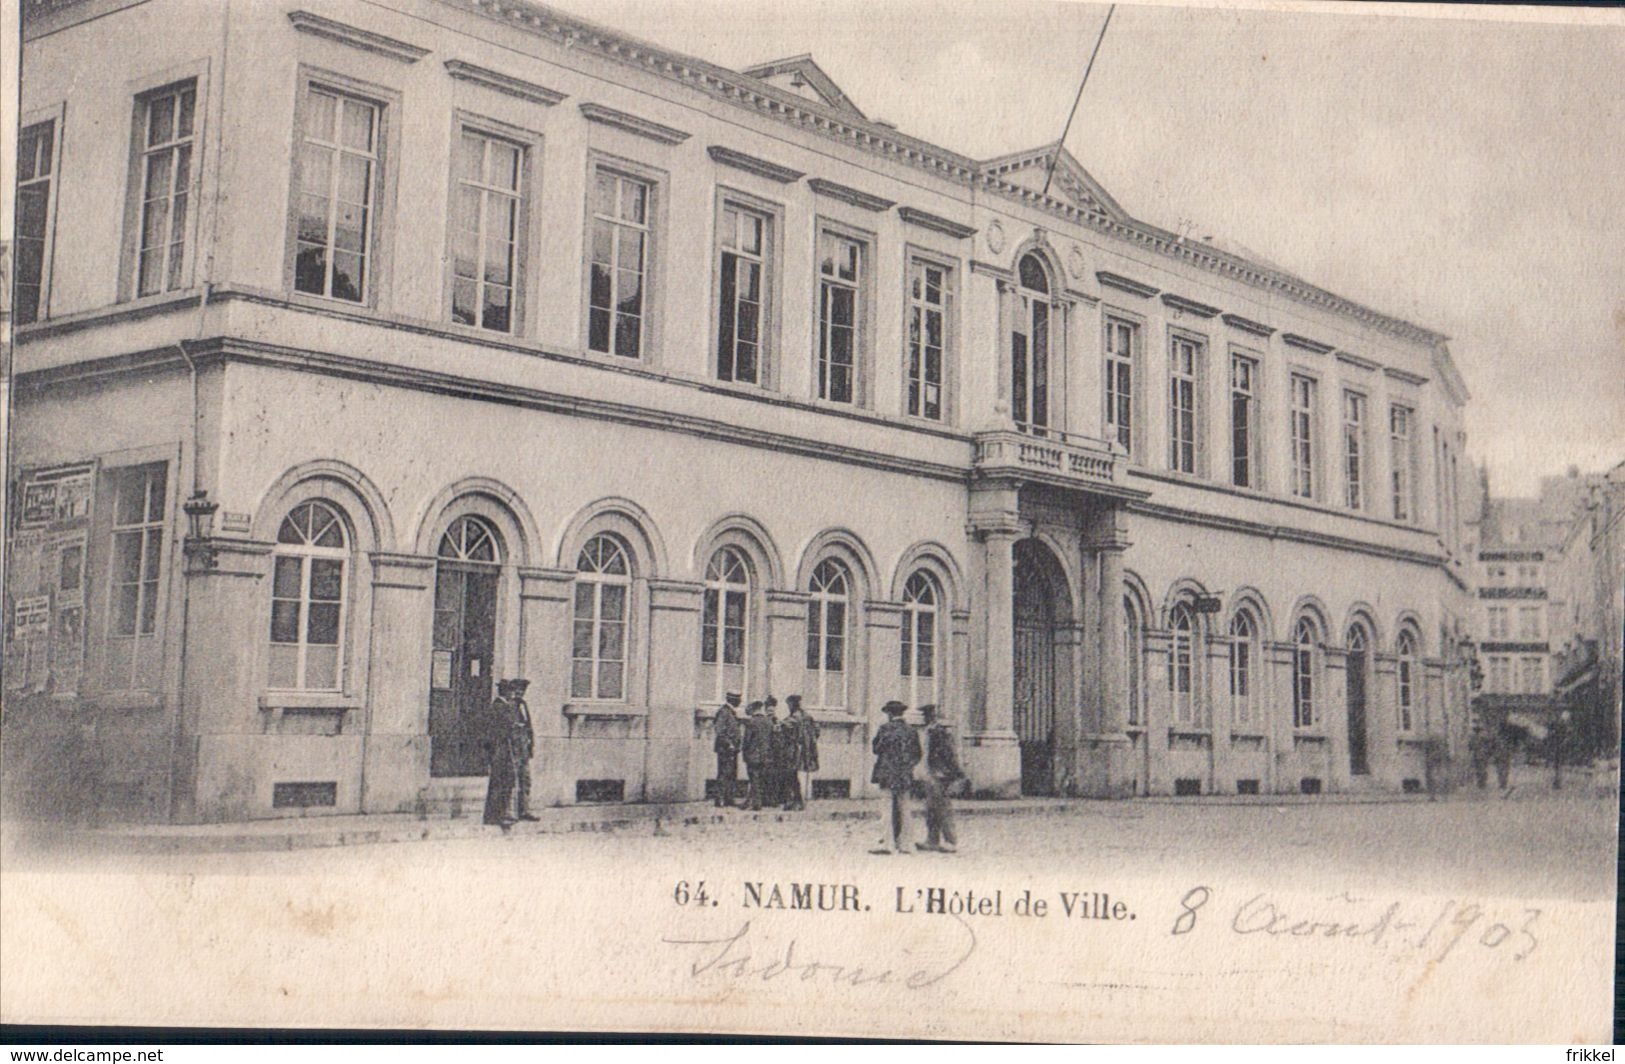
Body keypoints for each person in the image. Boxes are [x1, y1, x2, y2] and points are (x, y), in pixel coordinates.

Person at [870, 700, 921, 854]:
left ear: (890, 714)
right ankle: (906, 844)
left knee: (886, 809)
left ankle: (887, 844)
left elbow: (876, 749)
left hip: (887, 774)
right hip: (904, 774)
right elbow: (917, 754)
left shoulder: (885, 729)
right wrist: (907, 766)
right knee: (905, 808)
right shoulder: (911, 731)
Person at [916, 704, 962, 852]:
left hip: (939, 774)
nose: (925, 718)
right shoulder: (928, 731)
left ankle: (951, 841)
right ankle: (932, 840)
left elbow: (949, 754)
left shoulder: (939, 732)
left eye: (927, 715)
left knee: (943, 808)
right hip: (930, 773)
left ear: (932, 716)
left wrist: (954, 773)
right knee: (930, 809)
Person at [481, 682, 521, 828]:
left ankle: (500, 814)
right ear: (506, 692)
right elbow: (500, 729)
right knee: (500, 782)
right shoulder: (499, 707)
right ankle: (496, 815)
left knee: (505, 781)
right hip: (501, 749)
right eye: (511, 691)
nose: (513, 693)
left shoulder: (503, 706)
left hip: (503, 748)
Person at [506, 678, 538, 821]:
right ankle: (511, 812)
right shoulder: (509, 706)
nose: (520, 693)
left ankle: (525, 810)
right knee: (512, 781)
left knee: (525, 781)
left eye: (523, 691)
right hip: (513, 749)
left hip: (523, 749)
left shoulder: (523, 705)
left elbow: (529, 727)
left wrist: (531, 745)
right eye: (517, 690)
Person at [785, 695, 820, 809]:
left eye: (789, 704)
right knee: (793, 777)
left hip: (794, 751)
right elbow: (817, 732)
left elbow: (787, 733)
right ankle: (797, 801)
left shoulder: (794, 718)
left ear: (792, 704)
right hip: (806, 752)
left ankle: (794, 801)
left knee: (791, 776)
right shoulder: (808, 717)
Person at [742, 700, 774, 810]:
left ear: (753, 709)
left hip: (753, 756)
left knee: (754, 779)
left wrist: (745, 754)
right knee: (759, 779)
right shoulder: (768, 722)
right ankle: (749, 802)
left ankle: (756, 804)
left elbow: (747, 741)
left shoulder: (751, 722)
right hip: (766, 756)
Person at [712, 692, 743, 808]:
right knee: (724, 773)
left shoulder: (730, 712)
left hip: (732, 749)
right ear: (732, 700)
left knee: (731, 773)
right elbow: (720, 731)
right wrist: (729, 744)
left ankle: (728, 798)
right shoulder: (724, 712)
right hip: (725, 749)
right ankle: (719, 799)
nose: (740, 702)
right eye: (738, 699)